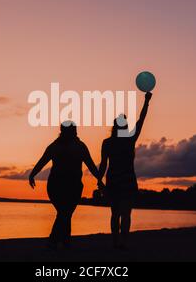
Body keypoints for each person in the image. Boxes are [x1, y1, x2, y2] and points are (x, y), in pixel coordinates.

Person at [28, 121, 100, 249]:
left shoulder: (74, 146)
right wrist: (32, 174)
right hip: (59, 186)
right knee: (65, 213)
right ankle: (57, 240)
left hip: (70, 186)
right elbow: (42, 161)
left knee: (64, 213)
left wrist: (100, 180)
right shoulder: (67, 146)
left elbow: (91, 165)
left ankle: (62, 241)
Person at [98, 92, 153, 249]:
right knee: (125, 214)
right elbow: (141, 120)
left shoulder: (107, 143)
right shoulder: (129, 140)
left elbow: (103, 165)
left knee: (115, 214)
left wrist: (99, 180)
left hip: (114, 181)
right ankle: (123, 242)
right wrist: (146, 101)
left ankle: (116, 242)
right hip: (127, 181)